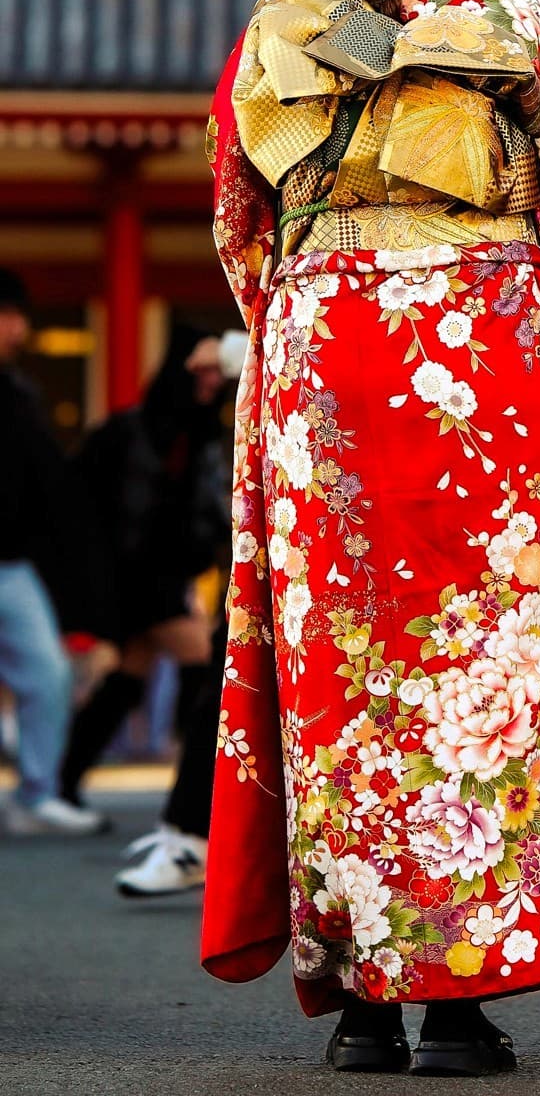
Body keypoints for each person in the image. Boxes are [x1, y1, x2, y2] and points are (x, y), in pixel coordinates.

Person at [202, 0, 540, 1074]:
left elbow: (241, 220)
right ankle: (461, 999)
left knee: (342, 672)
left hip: (325, 348)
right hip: (480, 354)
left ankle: (362, 1002)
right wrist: (530, 303)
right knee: (488, 662)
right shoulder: (515, 21)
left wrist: (301, 312)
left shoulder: (281, 23)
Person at [61, 328, 232, 807]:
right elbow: (80, 501)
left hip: (166, 576)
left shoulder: (199, 433)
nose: (209, 383)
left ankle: (63, 778)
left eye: (216, 374)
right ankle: (200, 789)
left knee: (128, 677)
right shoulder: (126, 432)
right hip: (135, 578)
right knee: (203, 664)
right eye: (201, 372)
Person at [117, 329, 248, 900]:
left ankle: (194, 835)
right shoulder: (160, 426)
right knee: (219, 685)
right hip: (172, 574)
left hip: (297, 538)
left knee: (219, 684)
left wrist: (224, 351)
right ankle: (189, 833)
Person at [0, 268, 107, 836]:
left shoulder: (19, 393)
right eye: (10, 316)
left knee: (47, 675)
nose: (19, 330)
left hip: (14, 564)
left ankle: (38, 792)